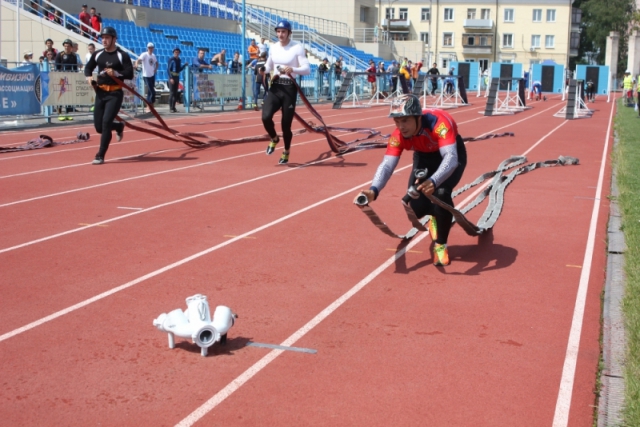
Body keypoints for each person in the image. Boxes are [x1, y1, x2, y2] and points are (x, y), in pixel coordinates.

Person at [354, 94, 467, 266]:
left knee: (441, 194)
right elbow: (386, 165)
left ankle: (441, 244)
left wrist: (435, 181)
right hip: (423, 157)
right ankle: (434, 217)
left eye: (405, 120)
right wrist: (373, 190)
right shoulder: (398, 135)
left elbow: (450, 159)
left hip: (449, 155)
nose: (401, 126)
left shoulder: (439, 124)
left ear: (417, 117)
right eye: (397, 121)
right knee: (416, 205)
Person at [262, 20, 310, 164]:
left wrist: (293, 69)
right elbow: (269, 65)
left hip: (289, 88)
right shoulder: (274, 47)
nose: (280, 34)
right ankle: (274, 138)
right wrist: (263, 69)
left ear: (289, 33)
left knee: (285, 124)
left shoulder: (297, 47)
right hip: (276, 86)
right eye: (278, 31)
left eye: (283, 32)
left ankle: (286, 151)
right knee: (265, 116)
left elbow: (307, 69)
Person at [84, 27, 134, 165]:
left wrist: (116, 73)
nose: (104, 40)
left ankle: (100, 155)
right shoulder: (98, 54)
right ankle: (118, 126)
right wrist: (88, 76)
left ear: (114, 39)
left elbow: (129, 73)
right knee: (99, 127)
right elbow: (88, 67)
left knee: (106, 123)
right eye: (102, 38)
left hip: (115, 93)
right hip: (100, 92)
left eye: (107, 37)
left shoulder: (122, 55)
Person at [55, 39, 79, 121]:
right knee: (61, 95)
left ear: (71, 47)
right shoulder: (60, 55)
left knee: (69, 95)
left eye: (68, 46)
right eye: (65, 46)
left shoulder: (74, 55)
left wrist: (75, 75)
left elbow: (75, 67)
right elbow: (57, 67)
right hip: (62, 77)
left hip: (70, 76)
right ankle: (60, 113)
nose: (66, 47)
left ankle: (67, 113)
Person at [167, 47, 188, 112]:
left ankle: (174, 107)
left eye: (178, 52)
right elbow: (168, 70)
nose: (177, 53)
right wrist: (171, 78)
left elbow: (179, 70)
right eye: (175, 52)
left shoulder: (179, 60)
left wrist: (184, 65)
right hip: (172, 77)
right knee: (172, 93)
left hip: (177, 77)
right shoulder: (171, 59)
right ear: (173, 52)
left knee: (176, 93)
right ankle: (170, 108)